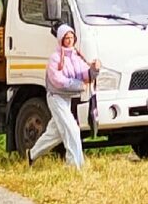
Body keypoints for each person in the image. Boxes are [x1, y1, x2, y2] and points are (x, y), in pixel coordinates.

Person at [26, 24, 99, 169]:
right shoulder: (55, 58)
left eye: (72, 37)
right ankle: (73, 165)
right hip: (56, 97)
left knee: (55, 133)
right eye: (67, 38)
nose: (70, 40)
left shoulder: (76, 56)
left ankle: (31, 155)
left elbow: (85, 73)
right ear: (61, 40)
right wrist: (78, 85)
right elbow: (57, 81)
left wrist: (94, 70)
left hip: (67, 99)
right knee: (72, 129)